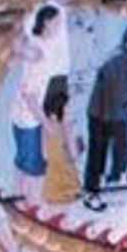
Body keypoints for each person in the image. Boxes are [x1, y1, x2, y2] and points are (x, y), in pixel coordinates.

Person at [83, 20, 127, 211]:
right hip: (102, 113)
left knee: (119, 154)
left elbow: (121, 90)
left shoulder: (126, 57)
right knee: (98, 156)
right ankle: (91, 194)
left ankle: (109, 186)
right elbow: (120, 92)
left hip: (113, 113)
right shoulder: (120, 58)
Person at [10, 6, 63, 205]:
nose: (59, 26)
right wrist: (45, 122)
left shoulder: (39, 46)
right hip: (29, 117)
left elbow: (18, 50)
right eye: (56, 22)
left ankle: (20, 198)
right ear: (47, 22)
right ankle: (32, 203)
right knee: (34, 165)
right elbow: (31, 96)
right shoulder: (39, 51)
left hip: (23, 114)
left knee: (23, 160)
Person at [41, 75, 81, 205]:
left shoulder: (48, 111)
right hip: (60, 143)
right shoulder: (63, 108)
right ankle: (64, 193)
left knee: (56, 168)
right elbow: (67, 128)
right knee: (65, 167)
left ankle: (55, 194)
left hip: (52, 144)